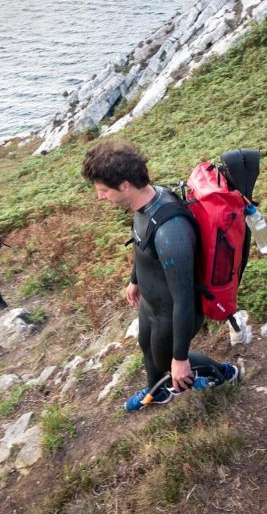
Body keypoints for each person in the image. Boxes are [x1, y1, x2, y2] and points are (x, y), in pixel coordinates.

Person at [81, 140, 240, 411]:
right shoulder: (143, 204)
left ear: (124, 186)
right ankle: (159, 392)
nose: (100, 196)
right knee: (147, 347)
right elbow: (141, 243)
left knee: (165, 359)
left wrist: (179, 359)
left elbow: (184, 300)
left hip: (172, 312)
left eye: (103, 190)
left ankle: (224, 373)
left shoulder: (171, 232)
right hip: (151, 303)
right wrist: (134, 280)